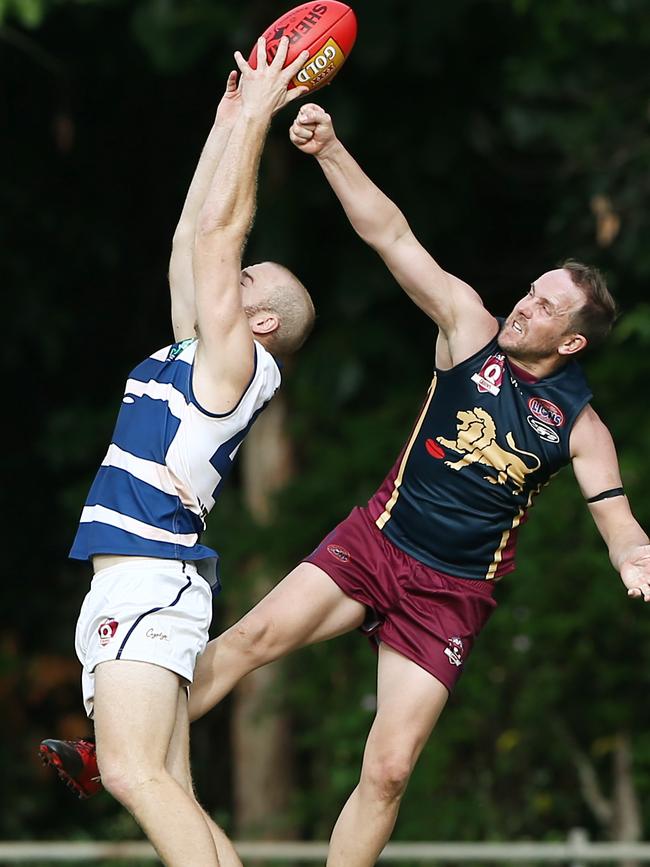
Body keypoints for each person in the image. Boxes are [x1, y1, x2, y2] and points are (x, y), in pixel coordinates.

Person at [42, 104, 650, 867]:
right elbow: (391, 234)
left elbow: (615, 512)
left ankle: (142, 770)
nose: (524, 304)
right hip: (376, 539)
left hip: (452, 589)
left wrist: (633, 555)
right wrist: (328, 149)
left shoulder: (581, 425)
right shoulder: (469, 327)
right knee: (243, 643)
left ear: (572, 340)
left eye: (545, 306)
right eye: (529, 291)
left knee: (389, 771)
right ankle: (118, 758)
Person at [40, 39, 313, 867]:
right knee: (170, 791)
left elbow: (221, 231)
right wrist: (228, 122)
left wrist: (263, 114)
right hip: (144, 581)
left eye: (249, 278)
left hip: (151, 580)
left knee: (128, 773)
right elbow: (192, 234)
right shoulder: (197, 352)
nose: (231, 276)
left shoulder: (236, 363)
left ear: (260, 322)